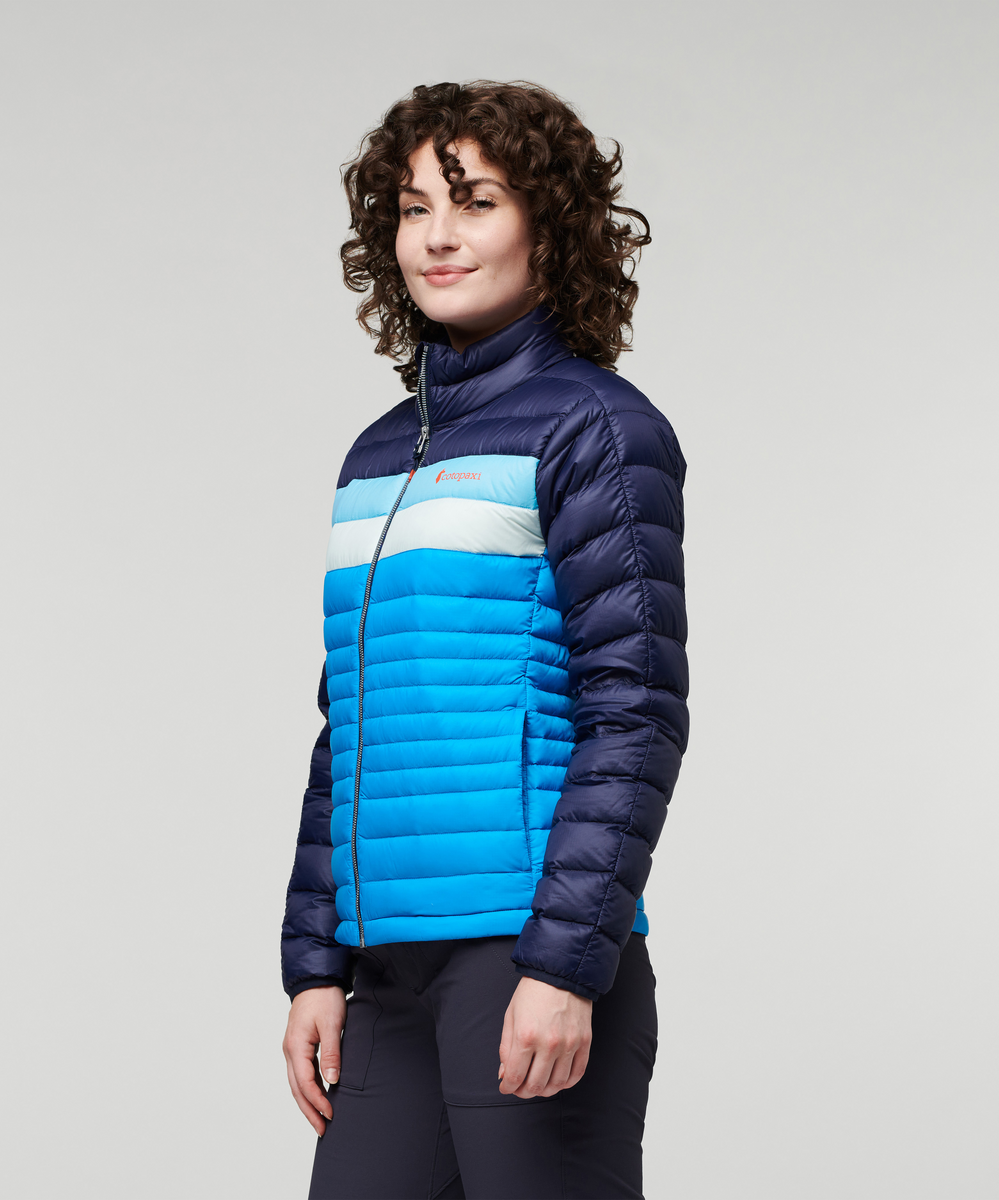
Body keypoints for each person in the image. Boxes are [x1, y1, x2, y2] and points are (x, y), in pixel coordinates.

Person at [280, 80, 689, 1200]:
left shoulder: (598, 428)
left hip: (525, 950)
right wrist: (315, 963)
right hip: (387, 968)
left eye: (475, 202)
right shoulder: (377, 456)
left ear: (548, 227)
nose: (438, 237)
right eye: (414, 209)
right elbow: (349, 727)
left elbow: (636, 713)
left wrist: (566, 964)